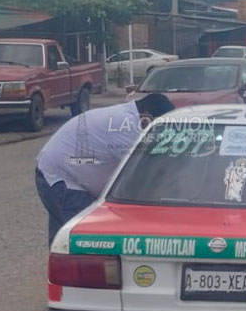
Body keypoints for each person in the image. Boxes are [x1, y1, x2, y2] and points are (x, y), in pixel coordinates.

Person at [35, 93, 175, 244]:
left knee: (64, 239)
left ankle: (58, 266)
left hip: (59, 173)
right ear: (147, 116)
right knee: (80, 241)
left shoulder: (128, 117)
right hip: (62, 180)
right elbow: (146, 172)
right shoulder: (125, 126)